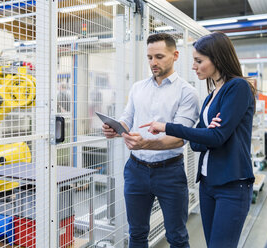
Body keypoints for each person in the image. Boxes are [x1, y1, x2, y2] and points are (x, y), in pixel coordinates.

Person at [141, 31, 256, 248]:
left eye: (198, 61)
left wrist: (168, 127)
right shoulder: (211, 96)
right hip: (207, 183)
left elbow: (216, 137)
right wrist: (209, 135)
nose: (193, 66)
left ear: (217, 59)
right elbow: (197, 142)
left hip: (232, 184)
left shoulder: (238, 88)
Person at [102, 33, 199, 248]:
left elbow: (179, 138)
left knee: (177, 236)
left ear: (175, 55)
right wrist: (116, 128)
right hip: (136, 169)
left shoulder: (187, 93)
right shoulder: (138, 88)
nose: (153, 63)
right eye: (149, 57)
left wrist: (145, 143)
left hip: (170, 173)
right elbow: (127, 118)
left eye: (159, 56)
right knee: (136, 233)